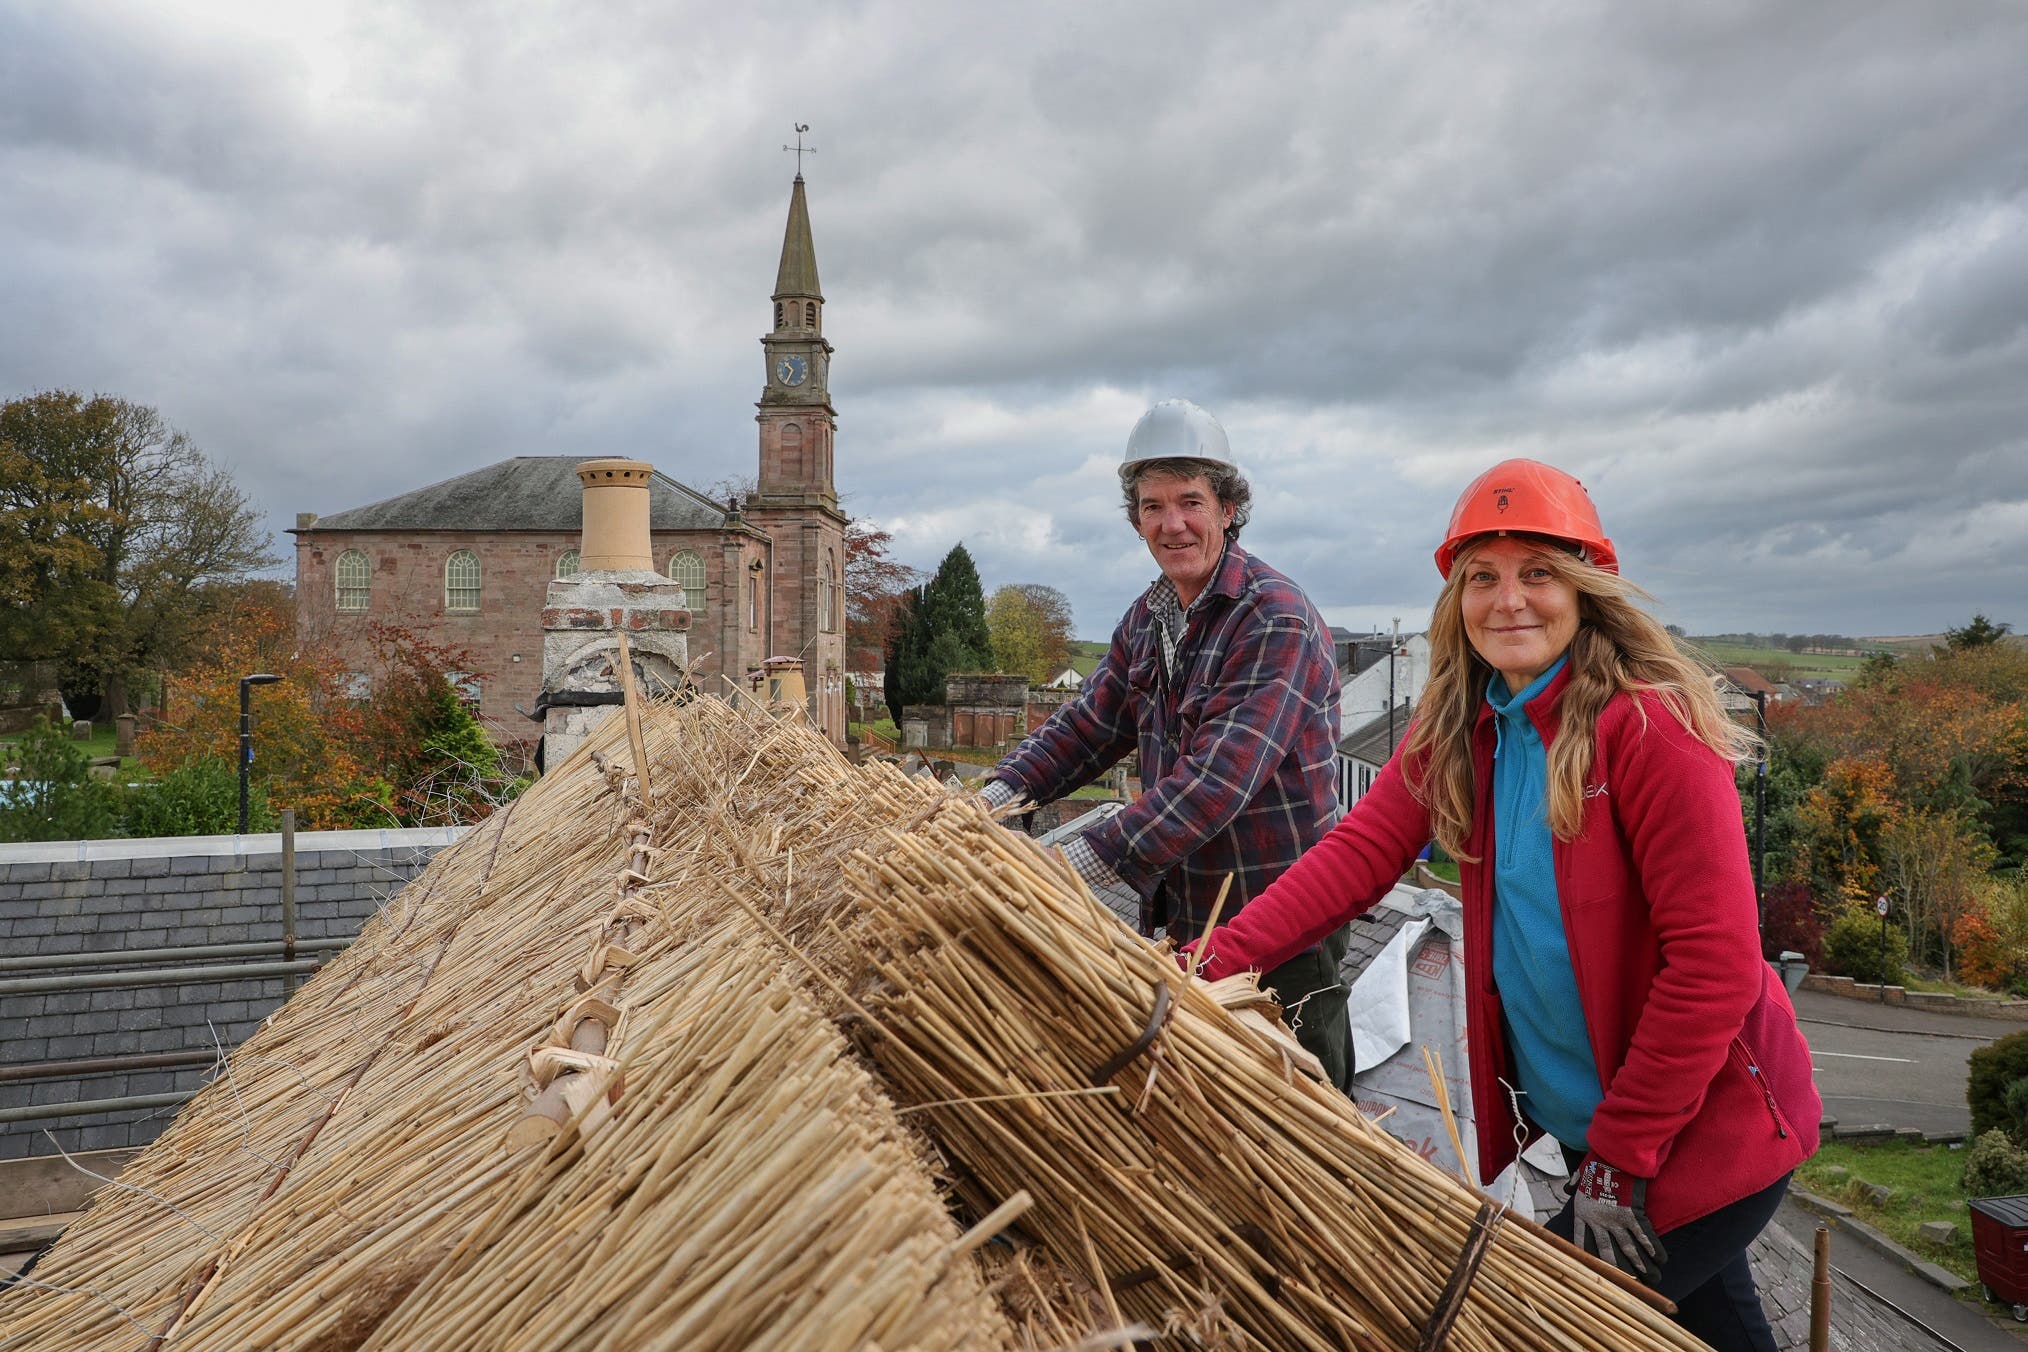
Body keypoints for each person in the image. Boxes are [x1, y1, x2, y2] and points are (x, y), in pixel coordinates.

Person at [1185, 458, 1819, 1351]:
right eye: (1482, 576)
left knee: (1537, 1330)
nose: (1508, 599)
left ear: (1586, 589)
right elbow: (1356, 857)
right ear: (1456, 600)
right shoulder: (1463, 726)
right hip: (1603, 1135)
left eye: (1538, 573)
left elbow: (1714, 967)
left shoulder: (1650, 731)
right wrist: (1209, 963)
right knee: (1720, 1328)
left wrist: (1621, 1157)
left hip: (1701, 1135)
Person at [979, 399, 1352, 1088]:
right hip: (1189, 912)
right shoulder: (1152, 614)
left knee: (1303, 1100)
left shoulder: (1275, 619)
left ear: (1228, 509)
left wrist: (1071, 866)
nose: (1171, 524)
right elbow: (1086, 727)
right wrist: (989, 801)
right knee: (1209, 1099)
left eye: (1190, 502)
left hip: (1284, 920)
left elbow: (1217, 782)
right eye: (1153, 506)